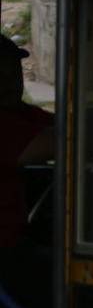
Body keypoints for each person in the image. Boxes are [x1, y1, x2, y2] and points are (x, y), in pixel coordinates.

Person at [0, 36, 53, 250]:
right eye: (0, 75)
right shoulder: (5, 125)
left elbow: (63, 125)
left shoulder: (17, 112)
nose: (11, 82)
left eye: (14, 72)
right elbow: (62, 140)